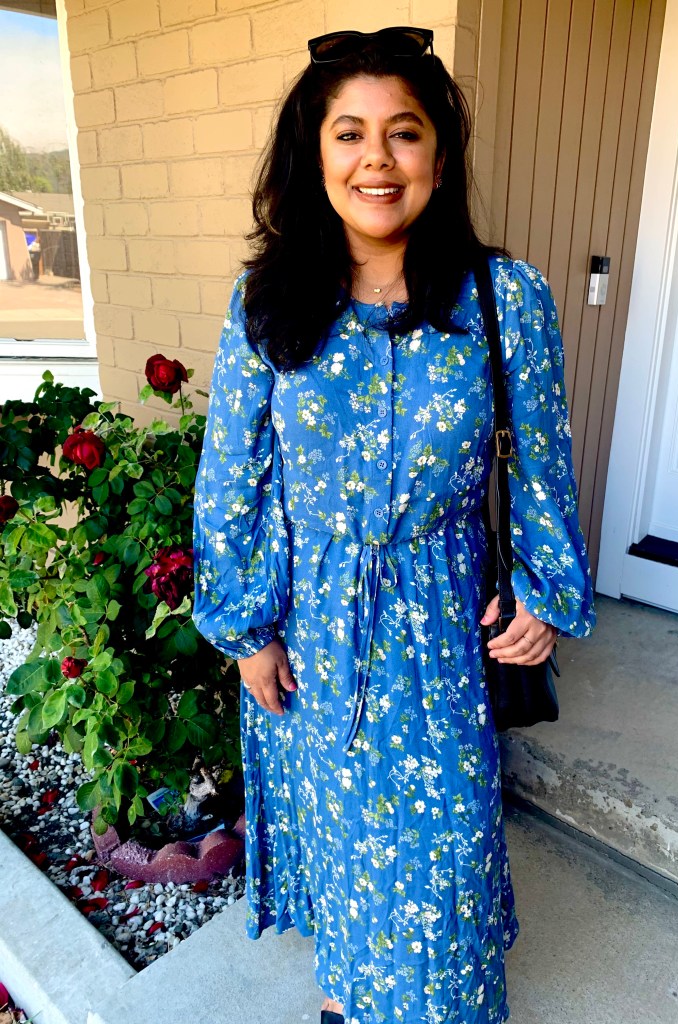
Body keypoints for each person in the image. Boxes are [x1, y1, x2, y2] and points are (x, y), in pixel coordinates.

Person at [193, 26, 595, 1024]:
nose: (377, 159)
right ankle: (347, 1000)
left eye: (404, 133)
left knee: (443, 855)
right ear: (315, 154)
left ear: (439, 157)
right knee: (339, 842)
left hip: (440, 629)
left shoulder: (504, 298)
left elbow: (542, 463)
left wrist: (543, 594)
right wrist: (246, 630)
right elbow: (232, 478)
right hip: (313, 634)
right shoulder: (265, 301)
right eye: (350, 133)